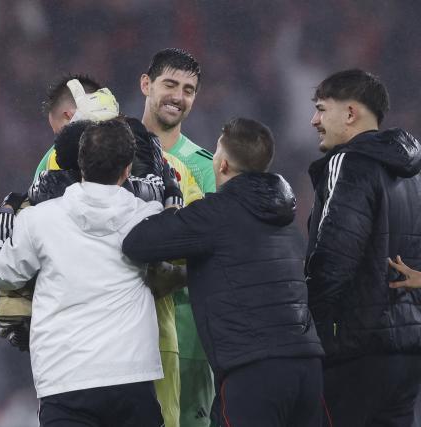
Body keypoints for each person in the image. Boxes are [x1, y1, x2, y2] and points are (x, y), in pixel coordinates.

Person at [123, 117, 325, 426]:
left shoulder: (215, 214)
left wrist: (171, 202)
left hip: (254, 370)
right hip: (308, 368)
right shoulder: (284, 217)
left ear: (224, 165)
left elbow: (137, 243)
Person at [0, 119, 171, 427]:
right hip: (131, 375)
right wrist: (169, 195)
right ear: (128, 169)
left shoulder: (39, 220)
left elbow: (3, 273)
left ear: (80, 165)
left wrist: (4, 220)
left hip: (65, 378)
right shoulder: (147, 217)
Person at [305, 68, 421, 425]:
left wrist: (309, 329)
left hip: (355, 350)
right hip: (408, 350)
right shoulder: (413, 174)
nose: (314, 120)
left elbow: (334, 258)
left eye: (322, 109)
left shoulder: (349, 161)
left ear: (351, 113)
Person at [141, 47, 216, 426]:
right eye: (170, 84)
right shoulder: (108, 151)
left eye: (188, 89)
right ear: (146, 84)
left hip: (188, 338)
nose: (178, 96)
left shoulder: (205, 168)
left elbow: (217, 251)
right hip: (123, 335)